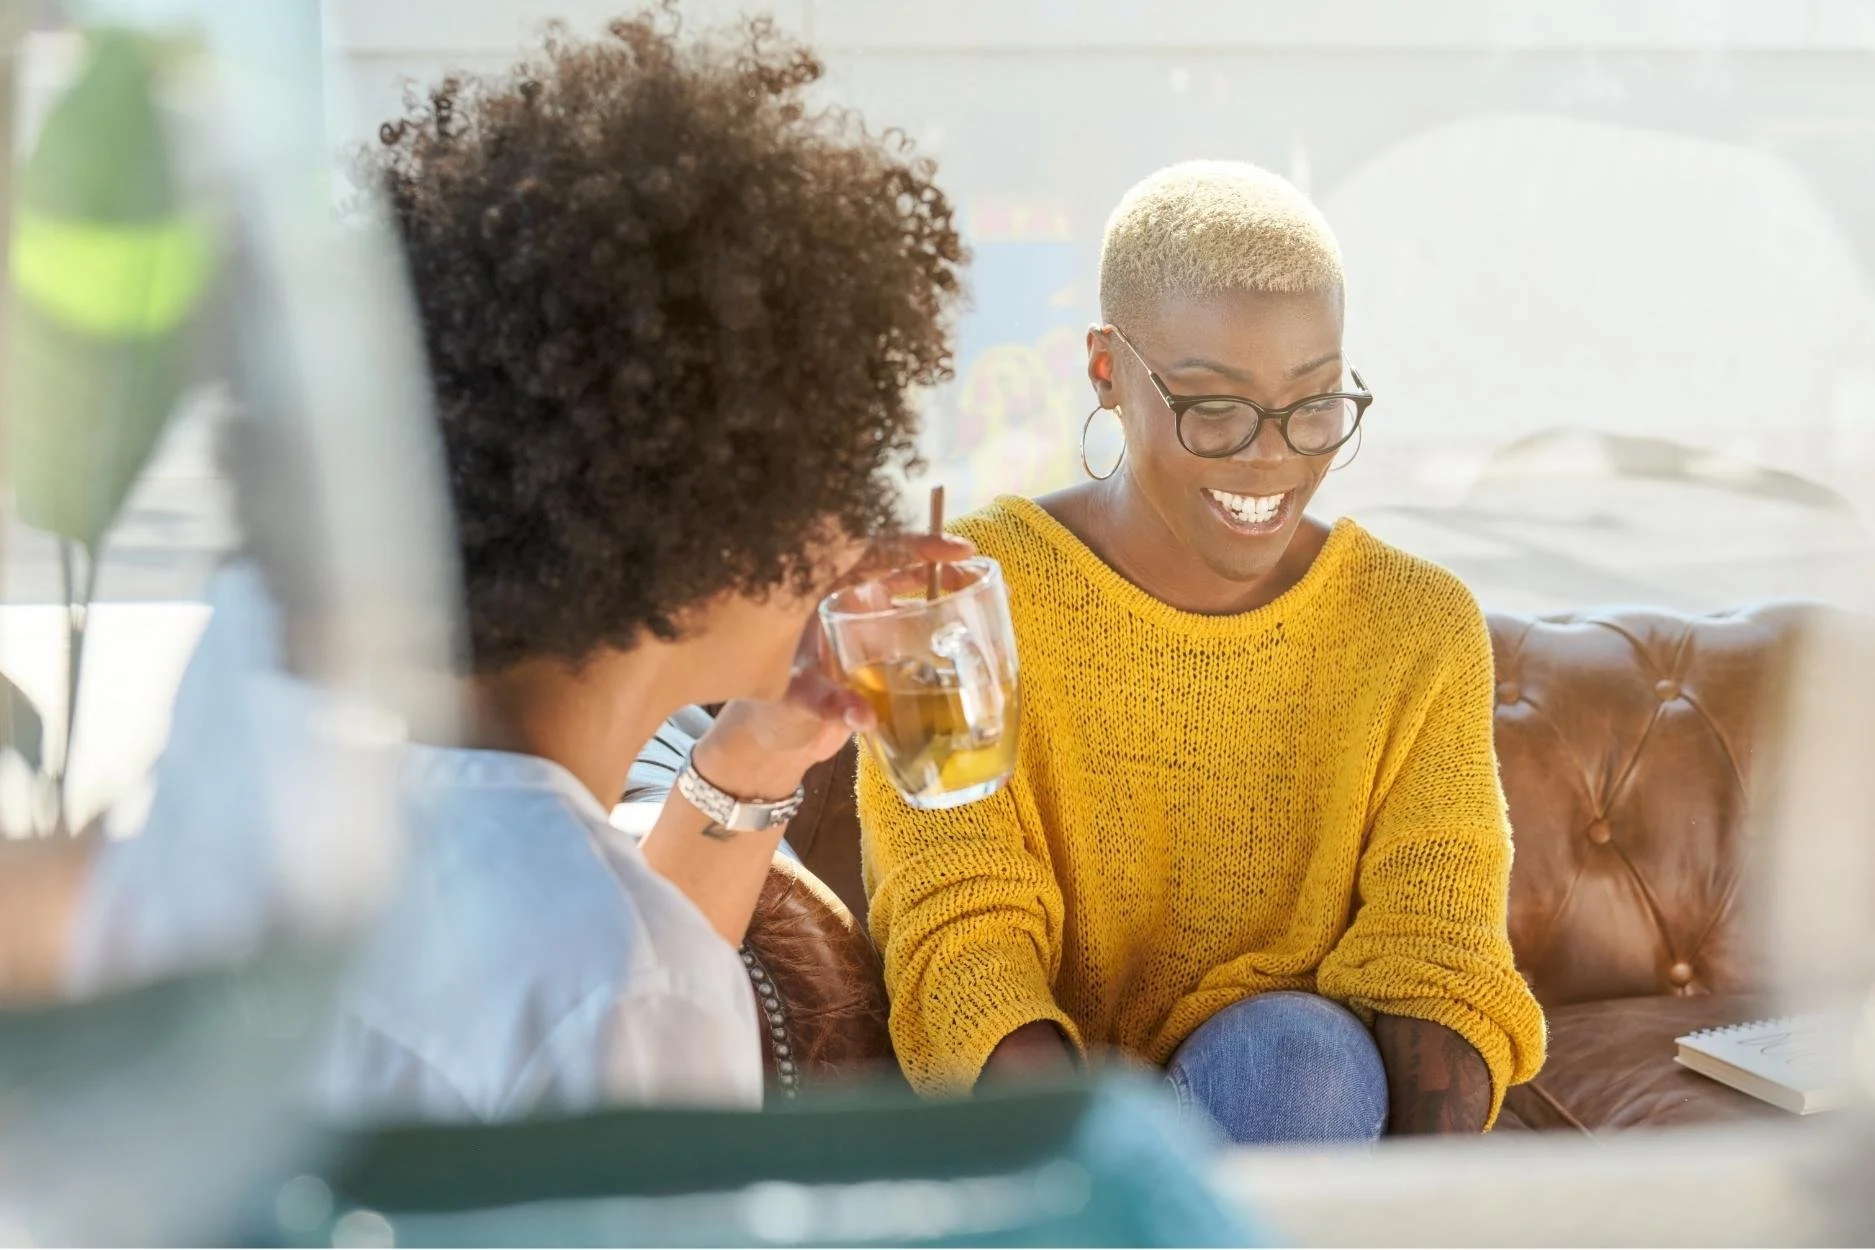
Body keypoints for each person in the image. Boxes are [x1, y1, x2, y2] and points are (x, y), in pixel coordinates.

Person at [311, 12, 967, 1121]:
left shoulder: (318, 836)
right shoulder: (626, 979)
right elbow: (611, 998)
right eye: (827, 473)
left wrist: (757, 756)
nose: (848, 540)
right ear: (709, 523)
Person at [858, 160, 1545, 1144]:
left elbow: (1437, 953)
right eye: (1213, 407)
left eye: (1313, 404)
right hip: (1066, 1128)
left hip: (1308, 1118)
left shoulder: (1418, 624)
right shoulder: (950, 598)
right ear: (1106, 369)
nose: (1269, 458)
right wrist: (1097, 1168)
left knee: (1298, 1062)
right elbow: (958, 934)